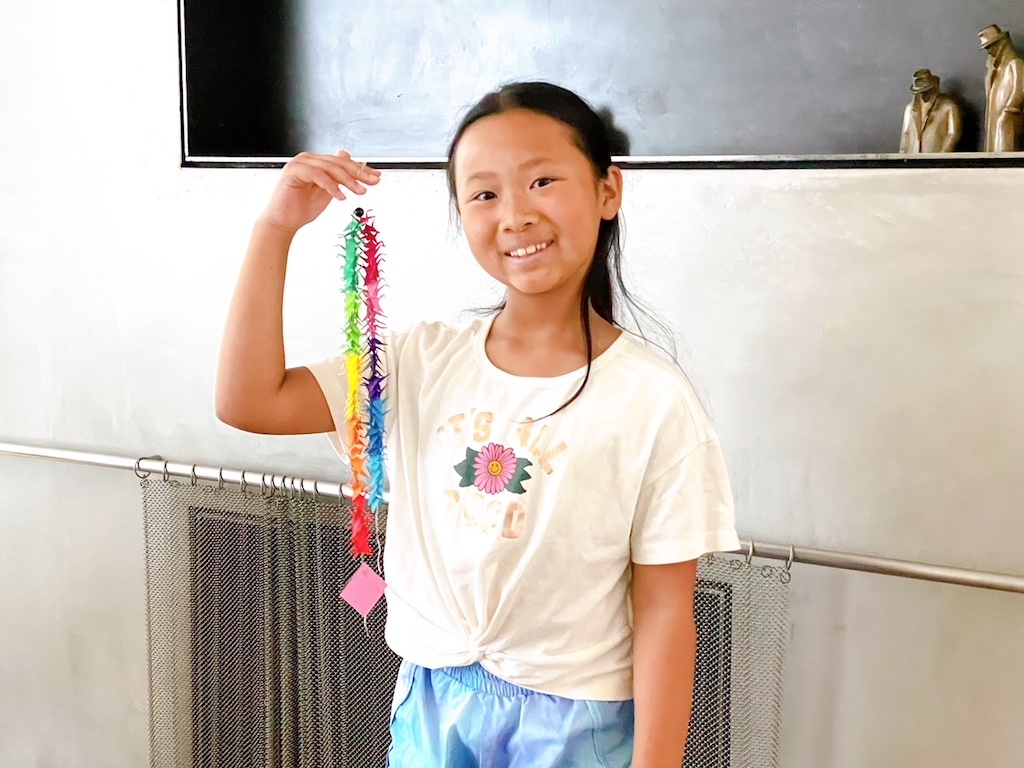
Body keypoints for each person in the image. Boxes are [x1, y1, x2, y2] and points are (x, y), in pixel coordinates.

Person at [216, 81, 739, 768]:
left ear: (608, 190)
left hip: (578, 723)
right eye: (485, 195)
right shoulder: (415, 361)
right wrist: (274, 229)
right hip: (435, 702)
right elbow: (249, 400)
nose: (516, 215)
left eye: (543, 181)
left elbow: (667, 611)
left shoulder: (653, 400)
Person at [979, 24, 1024, 152]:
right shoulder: (997, 69)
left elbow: (1020, 89)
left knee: (1005, 148)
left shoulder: (1015, 63)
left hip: (1007, 119)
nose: (989, 51)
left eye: (990, 47)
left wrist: (1009, 110)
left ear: (1001, 44)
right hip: (996, 117)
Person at [898, 69, 961, 153]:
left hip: (936, 160)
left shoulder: (948, 107)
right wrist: (902, 157)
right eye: (920, 92)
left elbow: (952, 134)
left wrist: (944, 153)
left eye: (926, 91)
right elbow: (905, 135)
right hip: (913, 159)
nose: (923, 95)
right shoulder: (910, 109)